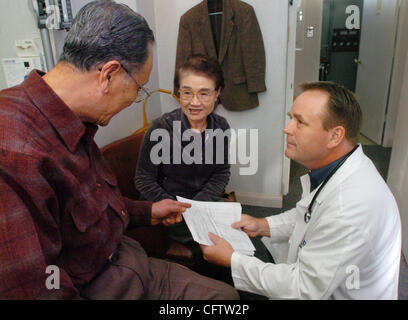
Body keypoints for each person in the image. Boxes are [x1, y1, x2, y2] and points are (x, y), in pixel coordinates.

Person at [0, 0, 238, 300]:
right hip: (102, 285)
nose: (134, 99)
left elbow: (93, 209)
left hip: (128, 260)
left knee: (226, 298)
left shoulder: (75, 124)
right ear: (109, 75)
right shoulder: (14, 150)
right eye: (139, 88)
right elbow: (37, 290)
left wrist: (149, 211)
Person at [201, 81, 402, 299]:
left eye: (300, 122)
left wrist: (233, 261)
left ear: (335, 136)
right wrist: (262, 225)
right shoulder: (340, 169)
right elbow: (311, 215)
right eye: (291, 117)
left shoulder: (350, 208)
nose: (287, 128)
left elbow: (303, 288)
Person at [134, 54, 233, 284]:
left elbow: (221, 173)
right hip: (166, 205)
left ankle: (230, 290)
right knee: (209, 244)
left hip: (200, 203)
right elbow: (143, 179)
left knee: (234, 233)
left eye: (204, 93)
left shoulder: (221, 127)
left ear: (218, 93)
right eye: (187, 92)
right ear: (178, 92)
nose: (194, 102)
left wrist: (198, 204)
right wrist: (174, 207)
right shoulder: (162, 128)